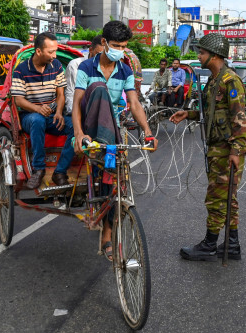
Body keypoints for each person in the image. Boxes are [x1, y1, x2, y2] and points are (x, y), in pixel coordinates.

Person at [72, 20, 154, 261]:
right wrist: (78, 134)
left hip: (114, 132)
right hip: (89, 128)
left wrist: (147, 131)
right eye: (117, 45)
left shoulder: (125, 70)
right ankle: (103, 145)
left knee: (116, 184)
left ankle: (107, 233)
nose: (121, 50)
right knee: (99, 88)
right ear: (104, 43)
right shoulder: (87, 67)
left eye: (124, 46)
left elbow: (135, 104)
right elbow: (76, 104)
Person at [169, 32, 246, 262]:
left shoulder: (230, 80)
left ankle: (210, 244)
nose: (199, 55)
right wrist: (189, 114)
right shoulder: (214, 81)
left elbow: (239, 118)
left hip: (227, 149)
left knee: (217, 197)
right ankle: (232, 245)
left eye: (202, 52)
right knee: (228, 199)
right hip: (217, 147)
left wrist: (236, 151)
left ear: (214, 55)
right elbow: (212, 113)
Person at [12, 32, 75, 189]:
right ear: (38, 51)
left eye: (55, 51)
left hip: (52, 114)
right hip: (29, 116)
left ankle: (60, 171)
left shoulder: (56, 66)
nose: (54, 55)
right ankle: (38, 169)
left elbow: (61, 94)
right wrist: (38, 109)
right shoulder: (21, 70)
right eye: (50, 52)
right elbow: (18, 100)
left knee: (76, 126)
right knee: (37, 120)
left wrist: (59, 112)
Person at [65, 35, 104, 114]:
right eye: (98, 54)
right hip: (78, 112)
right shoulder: (76, 65)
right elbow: (70, 96)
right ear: (90, 50)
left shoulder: (108, 67)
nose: (101, 58)